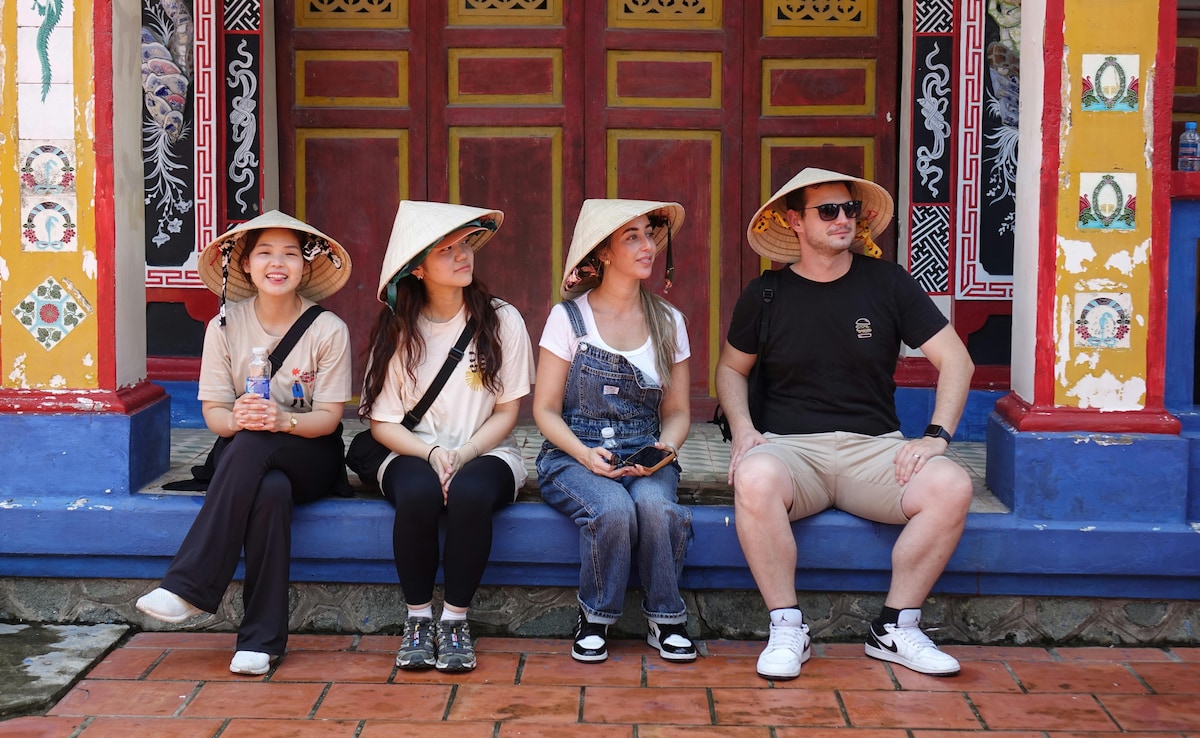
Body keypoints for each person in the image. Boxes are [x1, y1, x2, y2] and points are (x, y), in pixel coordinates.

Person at [715, 168, 975, 680]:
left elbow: (957, 361)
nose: (843, 220)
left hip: (874, 451)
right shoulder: (765, 294)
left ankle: (896, 627)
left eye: (850, 210)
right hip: (792, 450)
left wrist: (936, 436)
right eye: (827, 210)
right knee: (753, 476)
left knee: (952, 485)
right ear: (794, 222)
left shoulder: (889, 283)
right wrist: (744, 430)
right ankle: (788, 628)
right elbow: (729, 369)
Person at [136, 210, 354, 676]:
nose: (278, 264)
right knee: (270, 489)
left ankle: (190, 586)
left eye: (290, 254)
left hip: (311, 452)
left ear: (305, 265)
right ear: (246, 265)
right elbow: (214, 414)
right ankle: (261, 641)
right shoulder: (224, 327)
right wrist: (237, 417)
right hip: (246, 455)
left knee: (259, 446)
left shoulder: (328, 329)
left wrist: (279, 420)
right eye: (265, 253)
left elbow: (329, 419)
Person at [359, 201, 534, 673]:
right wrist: (434, 453)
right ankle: (418, 619)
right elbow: (382, 423)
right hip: (413, 448)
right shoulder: (398, 330)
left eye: (466, 245)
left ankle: (455, 619)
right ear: (417, 268)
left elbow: (507, 410)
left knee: (471, 493)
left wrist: (465, 454)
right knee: (416, 494)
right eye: (446, 249)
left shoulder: (502, 320)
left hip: (486, 448)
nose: (463, 255)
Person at [534, 199, 695, 664]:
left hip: (644, 448)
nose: (649, 246)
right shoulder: (568, 319)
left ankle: (666, 618)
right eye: (633, 237)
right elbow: (544, 411)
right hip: (573, 451)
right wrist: (585, 456)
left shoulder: (669, 322)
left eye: (650, 234)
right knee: (613, 509)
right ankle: (596, 616)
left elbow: (679, 410)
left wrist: (666, 447)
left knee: (657, 508)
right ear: (603, 253)